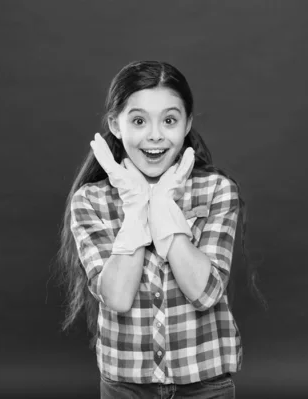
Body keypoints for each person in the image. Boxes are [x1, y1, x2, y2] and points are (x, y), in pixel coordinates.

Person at [56, 61, 265, 398]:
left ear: (187, 125)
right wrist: (137, 205)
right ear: (116, 124)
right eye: (139, 121)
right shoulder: (90, 201)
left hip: (204, 380)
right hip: (126, 384)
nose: (155, 135)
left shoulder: (216, 191)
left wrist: (164, 204)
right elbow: (119, 297)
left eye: (169, 120)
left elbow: (205, 292)